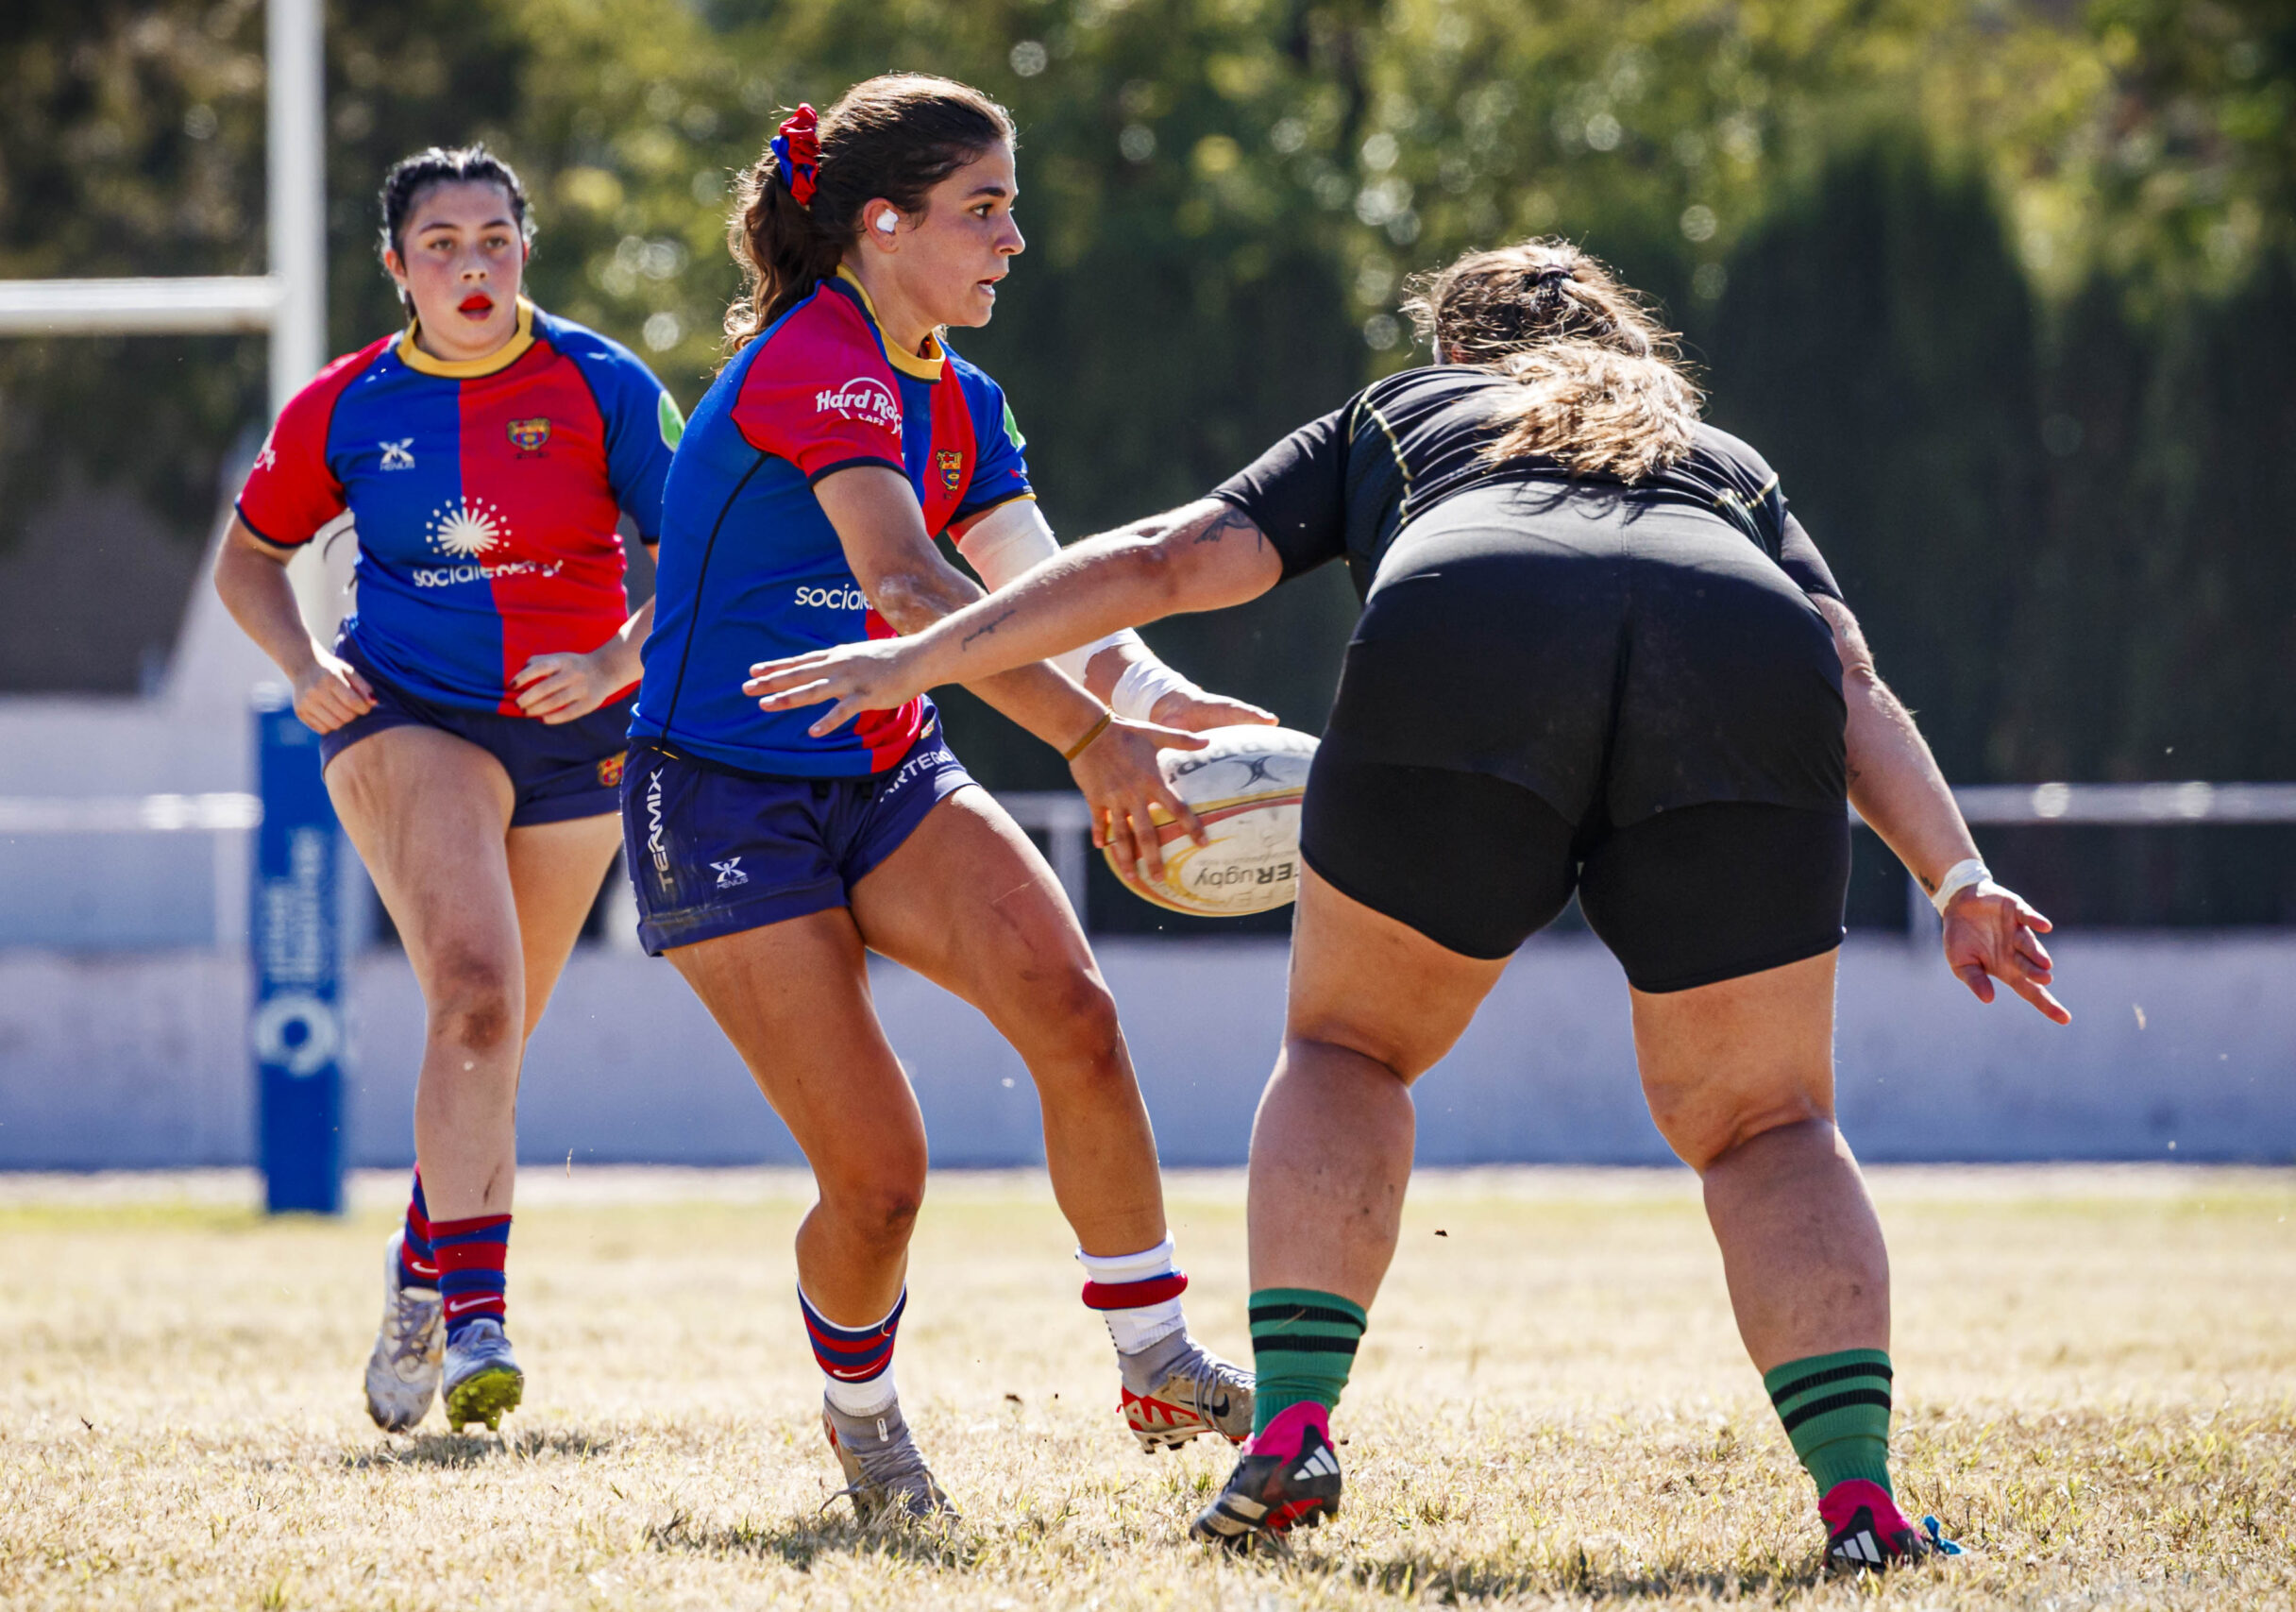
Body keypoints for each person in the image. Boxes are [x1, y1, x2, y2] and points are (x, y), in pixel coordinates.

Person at [744, 239, 2072, 1570]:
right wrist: (1959, 878)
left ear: (1455, 352)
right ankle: (1862, 1512)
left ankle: (1294, 1431)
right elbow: (1846, 678)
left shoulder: (1408, 410)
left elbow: (1168, 557)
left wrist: (923, 653)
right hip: (1733, 647)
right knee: (1768, 1122)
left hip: (1472, 619)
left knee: (1350, 1051)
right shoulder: (1716, 454)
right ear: (1629, 349)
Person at [622, 76, 1271, 1521]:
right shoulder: (820, 360)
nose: (1014, 240)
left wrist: (1160, 710)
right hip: (722, 797)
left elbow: (1053, 600)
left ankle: (1154, 1353)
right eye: (984, 210)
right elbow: (913, 591)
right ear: (882, 223)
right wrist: (1094, 747)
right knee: (881, 1181)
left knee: (1076, 1014)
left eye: (1010, 207)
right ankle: (863, 1425)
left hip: (885, 768)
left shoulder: (962, 397)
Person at [214, 145, 680, 1435]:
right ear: (396, 267)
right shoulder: (346, 403)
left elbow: (693, 554)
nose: (471, 265)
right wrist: (302, 664)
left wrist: (612, 660)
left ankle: (417, 1270)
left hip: (577, 727)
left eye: (494, 238)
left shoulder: (603, 382)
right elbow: (247, 563)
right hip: (402, 713)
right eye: (440, 245)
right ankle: (479, 1312)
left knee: (494, 1034)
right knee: (472, 992)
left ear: (526, 246)